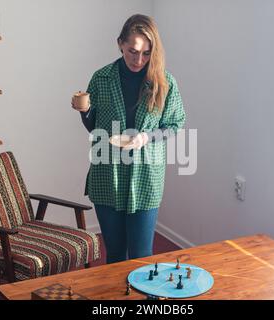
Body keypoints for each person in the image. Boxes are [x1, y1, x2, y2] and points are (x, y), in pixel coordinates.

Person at [71, 14, 186, 264]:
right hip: (107, 174)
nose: (139, 60)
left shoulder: (165, 82)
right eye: (133, 51)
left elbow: (175, 124)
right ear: (120, 43)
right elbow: (94, 128)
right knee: (115, 255)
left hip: (146, 176)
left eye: (146, 53)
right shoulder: (101, 79)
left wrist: (147, 137)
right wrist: (84, 111)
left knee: (141, 256)